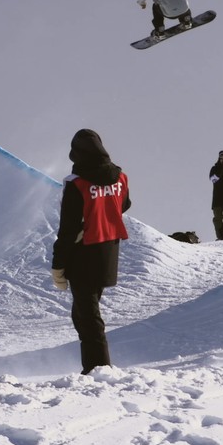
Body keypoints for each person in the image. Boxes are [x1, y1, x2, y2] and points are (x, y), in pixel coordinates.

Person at [51, 129, 132, 375]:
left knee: (88, 316)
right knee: (84, 312)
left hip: (83, 254)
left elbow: (68, 230)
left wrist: (58, 265)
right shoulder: (120, 178)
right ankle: (95, 365)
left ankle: (98, 369)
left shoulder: (77, 184)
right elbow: (125, 204)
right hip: (108, 251)